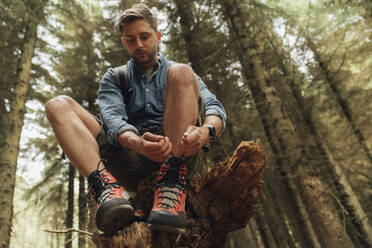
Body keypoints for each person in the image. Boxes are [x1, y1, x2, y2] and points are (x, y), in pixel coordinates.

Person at [45, 3, 226, 235]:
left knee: (181, 71)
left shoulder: (180, 73)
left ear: (158, 36)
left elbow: (214, 108)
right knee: (56, 105)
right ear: (124, 43)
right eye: (131, 39)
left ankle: (171, 183)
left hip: (179, 152)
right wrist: (137, 143)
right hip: (128, 158)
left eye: (144, 36)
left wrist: (206, 131)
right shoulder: (114, 77)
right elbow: (111, 119)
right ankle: (107, 190)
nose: (139, 44)